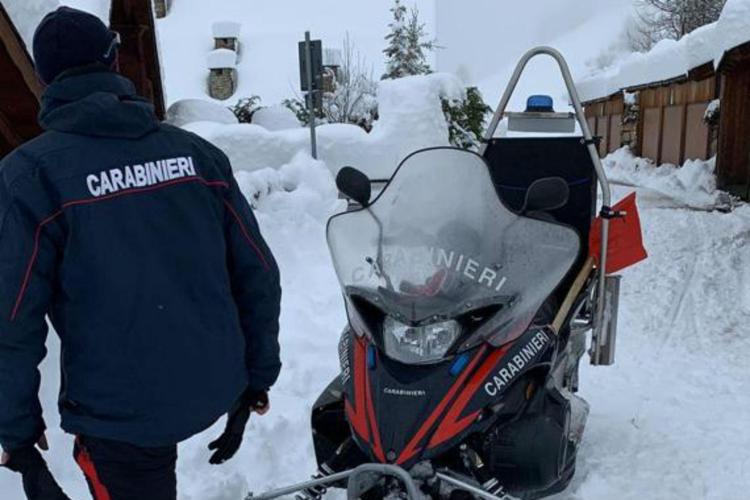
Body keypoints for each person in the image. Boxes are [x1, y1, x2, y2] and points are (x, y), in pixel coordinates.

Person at [0, 7, 282, 500]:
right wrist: (256, 377)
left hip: (120, 419)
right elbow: (257, 271)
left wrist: (17, 434)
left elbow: (11, 315)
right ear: (114, 65)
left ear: (45, 80)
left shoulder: (31, 175)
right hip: (213, 382)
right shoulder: (195, 156)